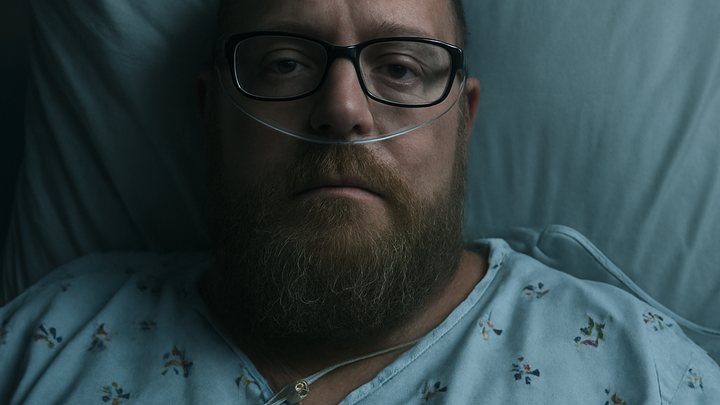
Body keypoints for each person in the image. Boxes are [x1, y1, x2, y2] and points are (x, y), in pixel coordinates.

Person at [0, 0, 718, 403]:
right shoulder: (43, 343)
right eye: (284, 63)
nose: (343, 109)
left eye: (400, 68)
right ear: (209, 113)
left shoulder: (643, 372)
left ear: (464, 121)